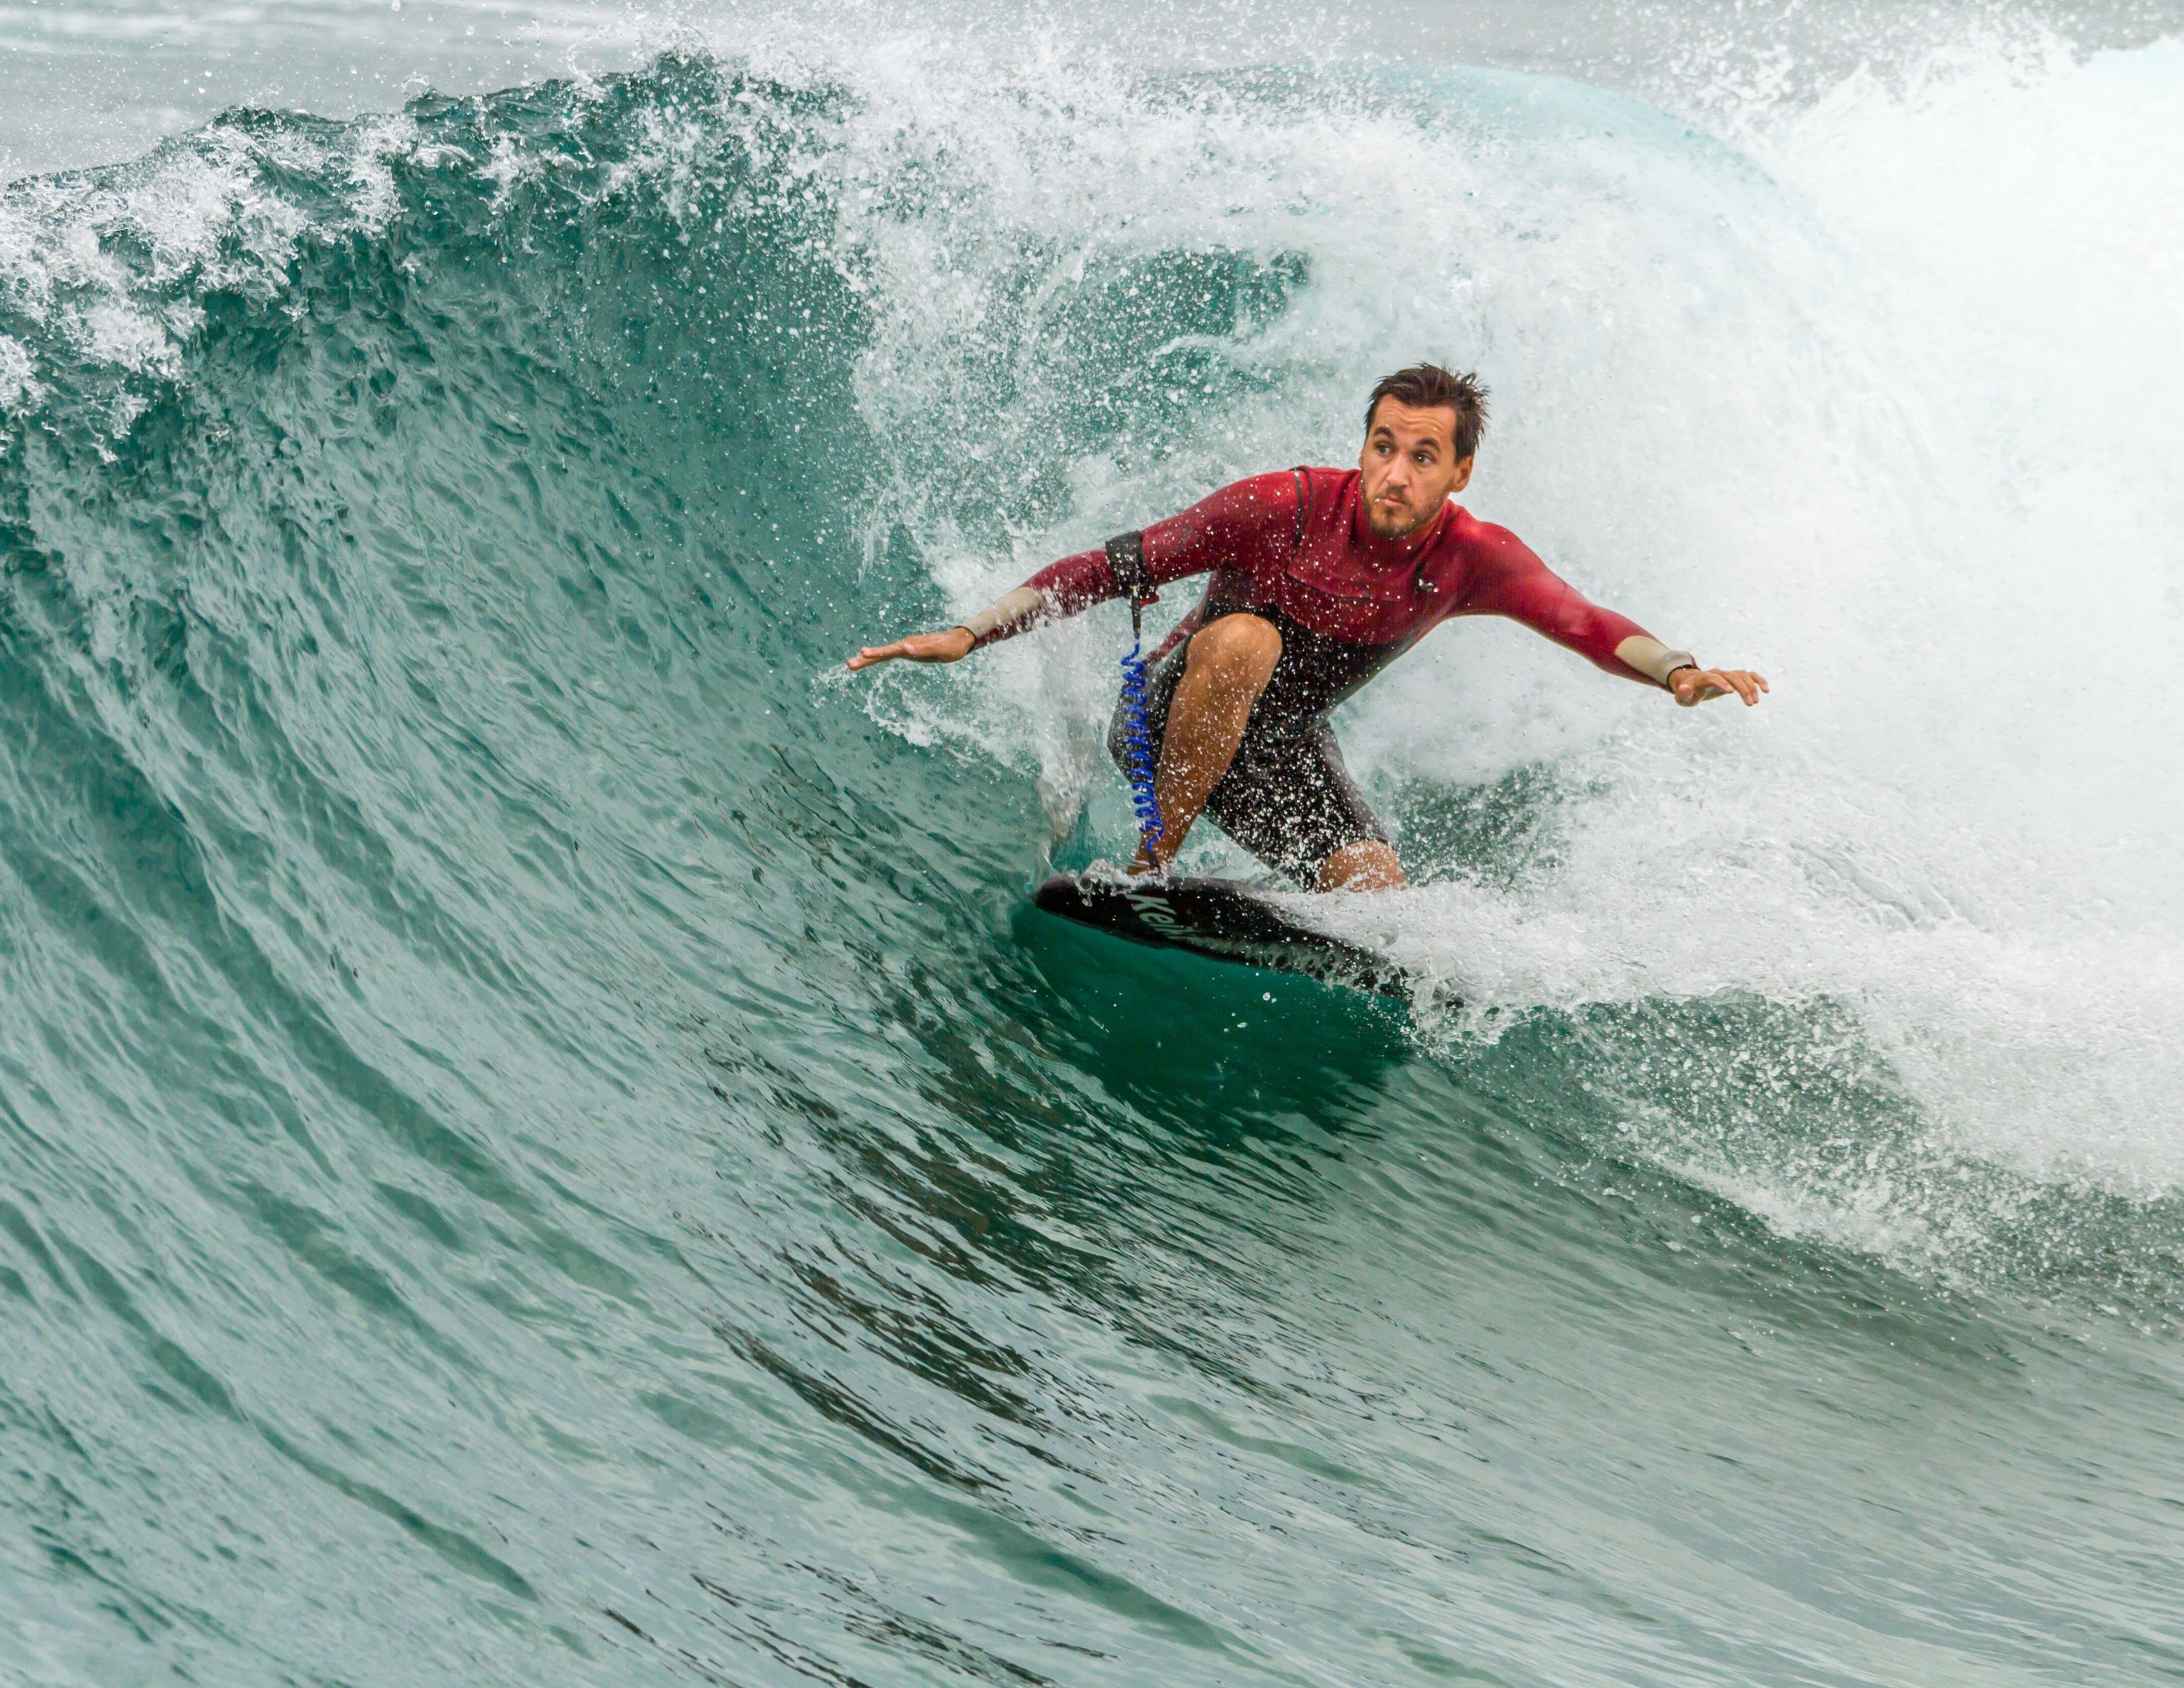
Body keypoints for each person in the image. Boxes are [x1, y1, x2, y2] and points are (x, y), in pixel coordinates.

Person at [848, 364, 1766, 892]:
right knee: (1248, 640)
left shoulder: (1471, 561)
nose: (1395, 473)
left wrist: (1679, 671)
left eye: (1423, 456)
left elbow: (1585, 621)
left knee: (1379, 890)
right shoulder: (1280, 507)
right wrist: (971, 634)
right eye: (1383, 446)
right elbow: (1113, 568)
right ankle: (1148, 868)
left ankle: (1226, 899)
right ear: (1363, 443)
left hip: (1276, 751)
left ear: (1461, 472)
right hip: (1161, 723)